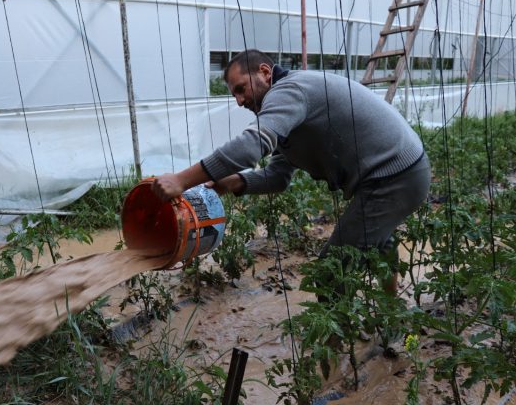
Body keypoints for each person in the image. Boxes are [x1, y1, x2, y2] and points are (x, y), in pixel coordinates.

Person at [151, 49, 431, 295]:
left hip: (395, 176)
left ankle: (336, 353)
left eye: (240, 89)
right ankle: (390, 315)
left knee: (330, 274)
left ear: (264, 72)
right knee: (379, 242)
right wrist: (234, 182)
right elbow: (277, 178)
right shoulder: (286, 115)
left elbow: (252, 146)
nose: (238, 101)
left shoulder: (290, 90)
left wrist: (181, 180)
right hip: (401, 173)